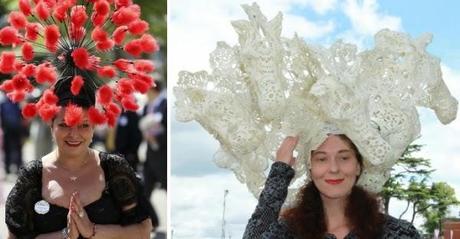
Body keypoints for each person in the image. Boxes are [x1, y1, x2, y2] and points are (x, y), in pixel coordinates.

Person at [5, 81, 154, 238]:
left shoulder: (114, 169)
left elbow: (143, 230)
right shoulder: (32, 177)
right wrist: (65, 235)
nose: (74, 135)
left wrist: (92, 230)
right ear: (51, 125)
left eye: (84, 125)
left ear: (94, 127)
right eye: (64, 125)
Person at [243, 135, 421, 239]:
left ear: (358, 166)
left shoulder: (396, 233)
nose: (334, 168)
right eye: (321, 159)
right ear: (311, 168)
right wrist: (280, 171)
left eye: (344, 158)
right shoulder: (290, 232)